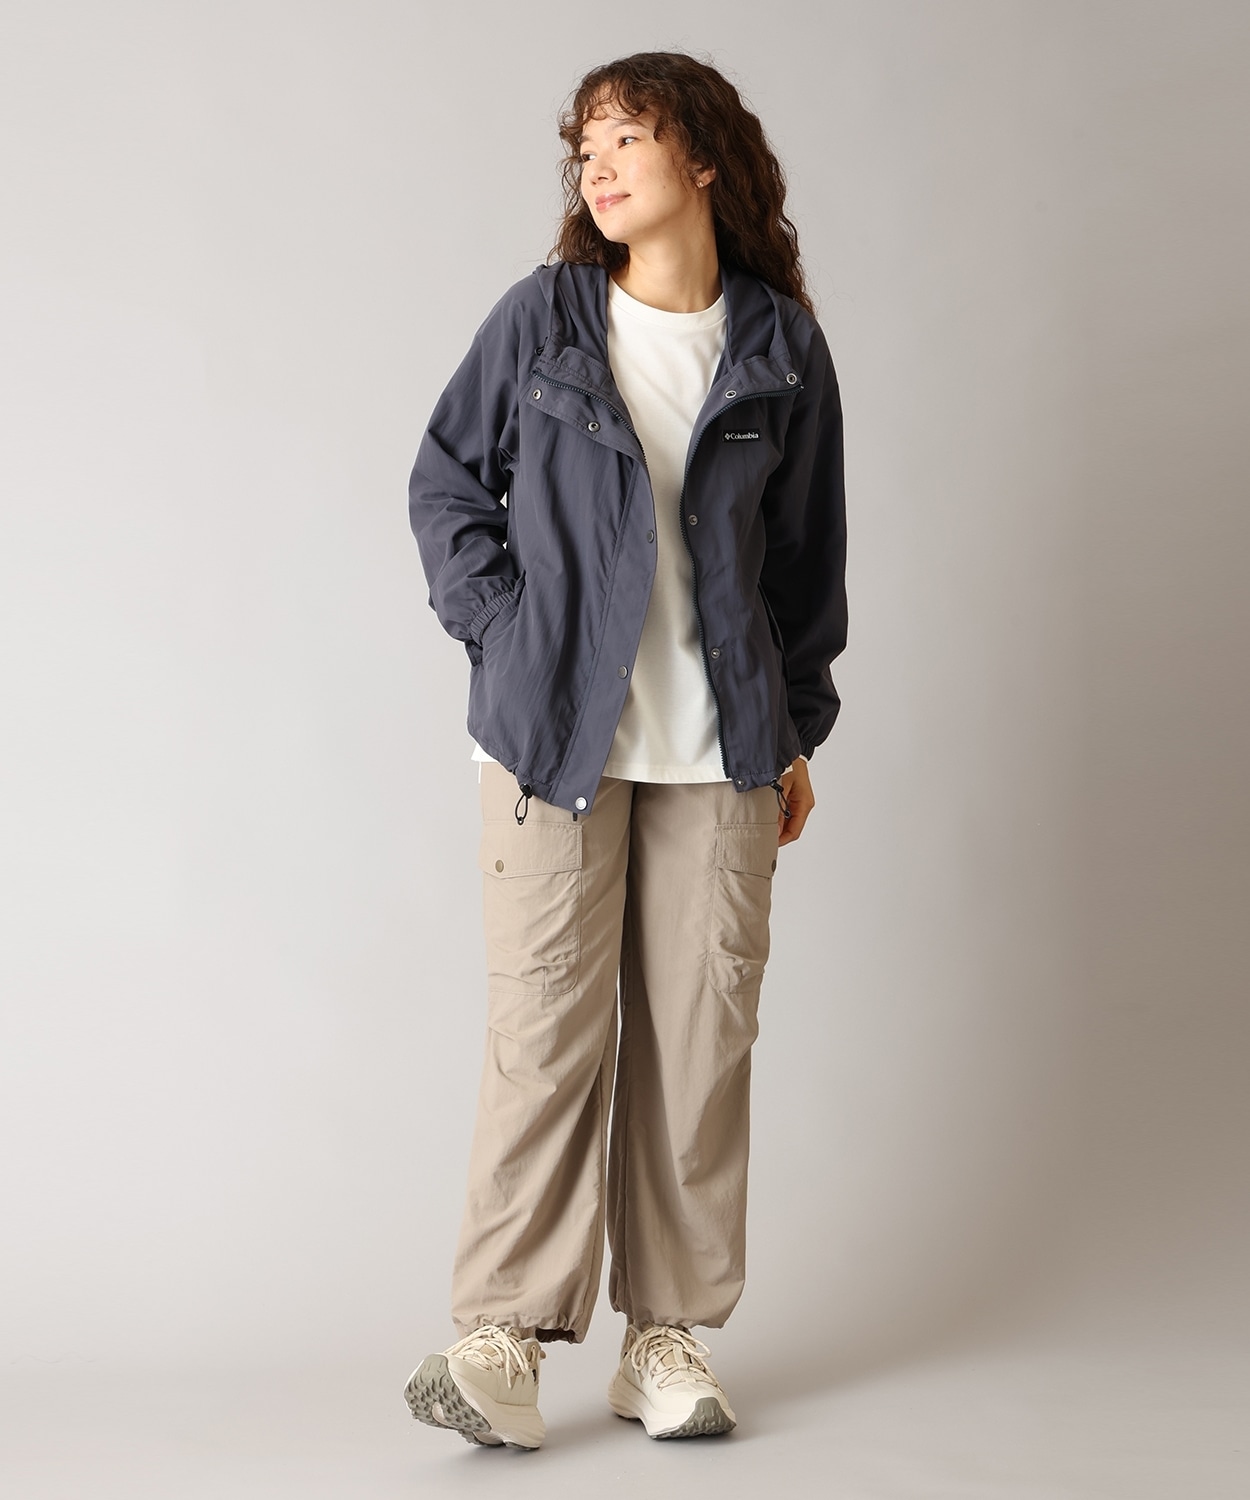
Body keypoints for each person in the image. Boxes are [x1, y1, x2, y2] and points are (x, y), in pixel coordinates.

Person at [403, 50, 847, 1448]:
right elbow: (445, 483)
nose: (596, 167)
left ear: (702, 159)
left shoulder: (779, 344)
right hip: (553, 743)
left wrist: (792, 729)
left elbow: (805, 564)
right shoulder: (543, 317)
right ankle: (501, 1341)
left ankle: (666, 1338)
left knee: (700, 1045)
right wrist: (506, 637)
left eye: (626, 138)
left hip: (723, 753)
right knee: (545, 1037)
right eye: (584, 146)